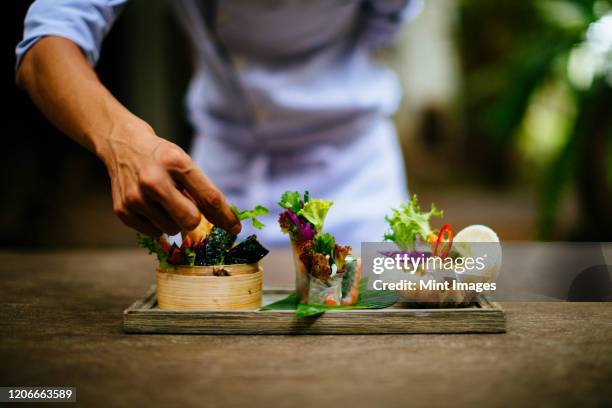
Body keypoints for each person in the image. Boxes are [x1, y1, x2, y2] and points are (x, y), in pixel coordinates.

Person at [16, 0, 420, 247]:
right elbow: (45, 47)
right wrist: (120, 139)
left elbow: (384, 25)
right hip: (219, 179)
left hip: (355, 178)